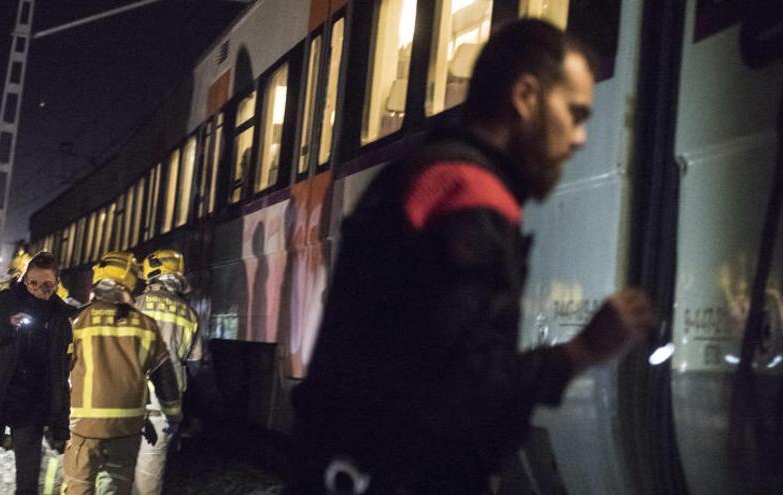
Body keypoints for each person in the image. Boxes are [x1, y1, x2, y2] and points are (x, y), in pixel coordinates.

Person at [288, 19, 657, 495]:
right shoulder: (469, 194)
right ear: (525, 97)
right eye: (574, 113)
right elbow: (464, 390)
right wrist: (583, 350)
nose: (580, 137)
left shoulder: (426, 170)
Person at [0, 251, 75, 495]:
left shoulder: (61, 317)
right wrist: (5, 329)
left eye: (48, 285)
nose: (40, 289)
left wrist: (60, 420)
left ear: (57, 284)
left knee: (28, 485)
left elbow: (60, 373)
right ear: (24, 279)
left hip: (31, 408)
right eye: (33, 282)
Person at [62, 251, 182, 495]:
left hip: (85, 427)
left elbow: (57, 373)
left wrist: (53, 416)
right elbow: (165, 377)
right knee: (118, 486)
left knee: (79, 486)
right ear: (130, 282)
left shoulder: (77, 321)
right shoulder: (146, 325)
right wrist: (174, 416)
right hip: (127, 426)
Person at [132, 249, 200, 495]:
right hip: (164, 405)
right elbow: (195, 361)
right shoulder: (189, 313)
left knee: (117, 467)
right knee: (150, 473)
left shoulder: (134, 305)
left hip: (127, 399)